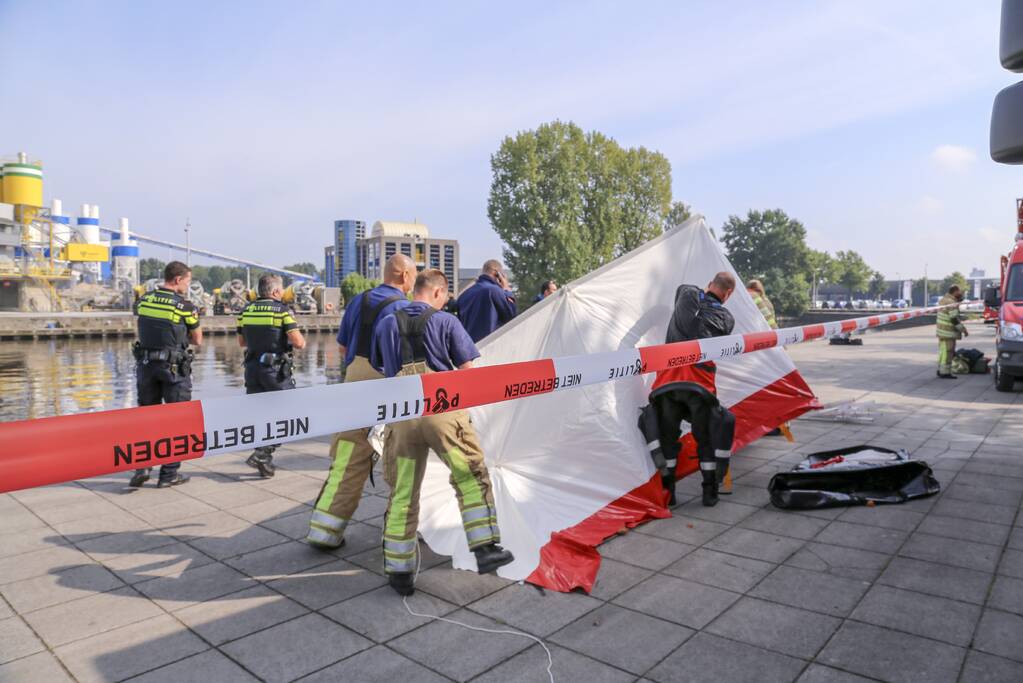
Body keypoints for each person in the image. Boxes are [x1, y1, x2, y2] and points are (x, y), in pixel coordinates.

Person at [372, 269, 513, 595]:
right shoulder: (446, 322)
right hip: (442, 411)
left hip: (402, 416)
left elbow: (382, 368)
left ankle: (400, 572)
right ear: (437, 292)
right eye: (446, 297)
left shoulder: (385, 324)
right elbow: (467, 373)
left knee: (403, 492)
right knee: (469, 475)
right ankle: (485, 550)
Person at [305, 254, 417, 549]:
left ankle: (325, 531)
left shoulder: (358, 301)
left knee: (346, 456)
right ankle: (397, 535)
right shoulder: (405, 308)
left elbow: (342, 347)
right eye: (414, 276)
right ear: (405, 276)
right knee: (399, 459)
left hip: (354, 379)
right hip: (388, 382)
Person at [638, 272, 737, 507]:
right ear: (729, 294)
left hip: (668, 382)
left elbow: (687, 295)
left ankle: (669, 493)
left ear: (710, 284)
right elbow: (710, 337)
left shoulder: (687, 293)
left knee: (669, 439)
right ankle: (709, 492)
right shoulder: (727, 318)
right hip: (699, 385)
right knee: (705, 439)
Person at [129, 261, 202, 488]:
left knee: (147, 418)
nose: (188, 286)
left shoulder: (144, 301)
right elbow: (197, 340)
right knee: (177, 421)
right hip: (173, 369)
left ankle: (142, 466)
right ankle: (169, 474)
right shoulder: (185, 307)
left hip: (146, 366)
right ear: (178, 280)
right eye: (188, 281)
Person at [237, 273, 306, 478]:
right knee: (289, 414)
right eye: (282, 289)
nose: (284, 292)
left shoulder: (246, 311)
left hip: (252, 371)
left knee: (260, 416)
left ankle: (264, 463)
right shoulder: (282, 311)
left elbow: (242, 343)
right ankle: (263, 452)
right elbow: (299, 342)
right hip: (275, 372)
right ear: (276, 291)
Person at [455, 259, 516, 341]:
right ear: (497, 273)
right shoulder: (494, 291)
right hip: (490, 346)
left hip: (469, 347)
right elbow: (511, 315)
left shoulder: (464, 295)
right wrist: (507, 290)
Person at [937, 285, 967, 379]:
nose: (961, 294)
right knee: (948, 352)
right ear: (955, 291)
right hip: (948, 332)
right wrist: (963, 330)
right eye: (960, 292)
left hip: (942, 331)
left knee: (943, 352)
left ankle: (940, 370)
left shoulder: (944, 300)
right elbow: (954, 319)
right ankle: (945, 373)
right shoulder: (951, 303)